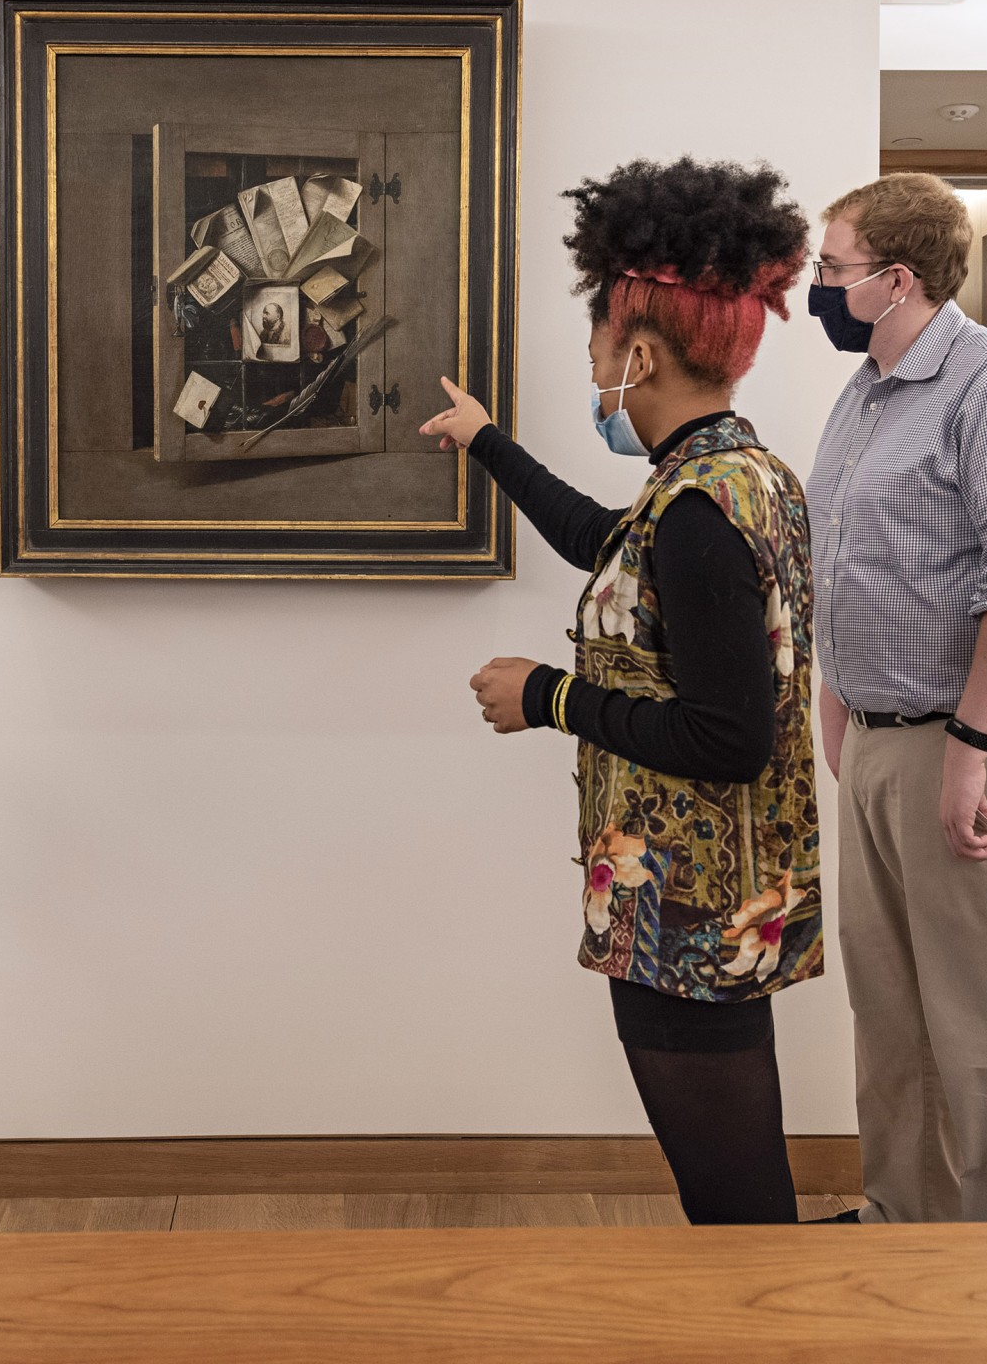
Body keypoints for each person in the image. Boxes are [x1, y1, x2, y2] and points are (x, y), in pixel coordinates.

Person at [422, 158, 821, 1225]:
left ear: (637, 352)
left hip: (690, 920)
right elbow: (608, 548)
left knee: (736, 1210)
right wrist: (487, 444)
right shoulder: (734, 476)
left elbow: (725, 734)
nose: (593, 365)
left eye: (598, 346)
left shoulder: (696, 508)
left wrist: (545, 695)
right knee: (738, 1193)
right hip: (721, 905)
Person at [803, 173, 987, 1224]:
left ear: (896, 279)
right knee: (892, 1017)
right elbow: (855, 557)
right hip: (883, 742)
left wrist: (968, 747)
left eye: (832, 270)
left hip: (982, 745)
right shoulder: (868, 392)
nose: (817, 288)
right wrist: (842, 695)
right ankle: (904, 1229)